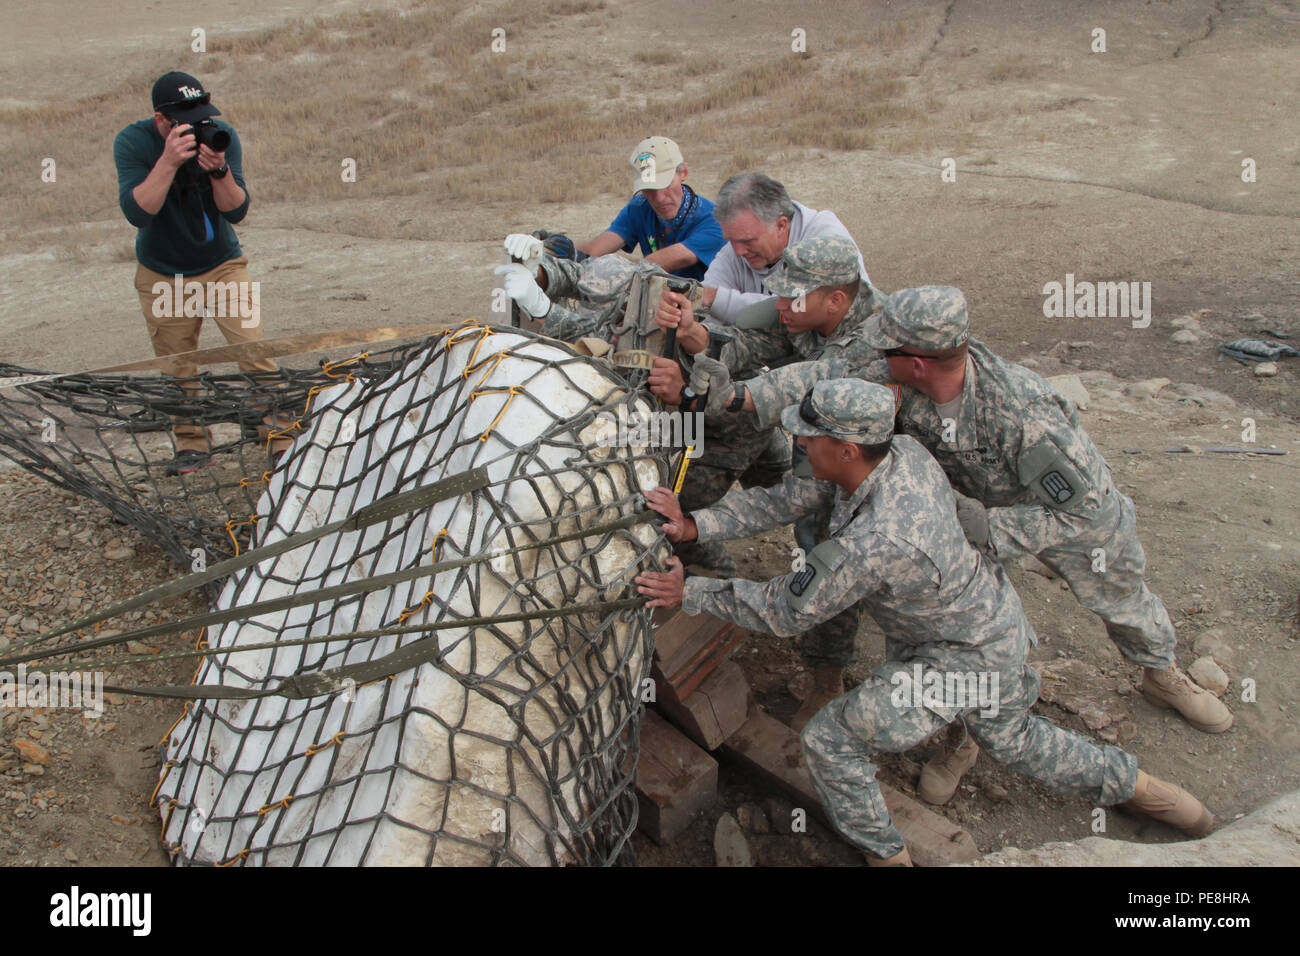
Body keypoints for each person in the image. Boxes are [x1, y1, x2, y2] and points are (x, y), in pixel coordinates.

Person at [634, 379, 1215, 865]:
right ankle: (1162, 799)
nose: (798, 441)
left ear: (846, 448)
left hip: (959, 655)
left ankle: (887, 855)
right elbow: (790, 498)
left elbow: (785, 610)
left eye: (808, 436)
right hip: (985, 618)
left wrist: (692, 590)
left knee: (831, 742)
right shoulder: (900, 453)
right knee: (1018, 736)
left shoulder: (879, 537)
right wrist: (696, 526)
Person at [696, 285, 1233, 802]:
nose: (877, 354)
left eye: (887, 347)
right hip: (963, 509)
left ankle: (1161, 672)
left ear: (920, 360)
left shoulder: (1025, 410)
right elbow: (827, 374)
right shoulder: (898, 369)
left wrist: (989, 530)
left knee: (1118, 594)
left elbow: (1082, 506)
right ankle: (968, 735)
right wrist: (740, 395)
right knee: (968, 617)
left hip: (1055, 515)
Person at [660, 235, 880, 726]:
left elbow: (797, 385)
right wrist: (696, 336)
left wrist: (701, 401)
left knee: (831, 547)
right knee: (798, 511)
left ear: (836, 300)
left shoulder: (872, 341)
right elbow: (744, 347)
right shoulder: (800, 314)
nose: (779, 304)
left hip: (870, 466)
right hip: (819, 445)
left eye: (791, 297)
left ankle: (828, 675)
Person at [114, 71, 284, 476]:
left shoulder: (221, 136)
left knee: (254, 351)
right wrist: (169, 161)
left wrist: (220, 171)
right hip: (163, 273)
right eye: (183, 120)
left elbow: (237, 211)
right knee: (178, 366)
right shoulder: (133, 142)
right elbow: (138, 212)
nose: (196, 126)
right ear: (161, 121)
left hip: (222, 265)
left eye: (201, 116)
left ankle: (281, 440)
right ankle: (192, 447)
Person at [655, 171, 867, 327]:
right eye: (731, 240)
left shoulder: (826, 240)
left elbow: (801, 309)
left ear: (781, 225)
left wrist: (715, 299)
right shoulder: (738, 246)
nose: (738, 252)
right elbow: (706, 310)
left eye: (748, 241)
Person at [577, 137, 725, 282]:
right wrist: (571, 254)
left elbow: (665, 261)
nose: (659, 198)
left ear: (683, 173)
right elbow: (594, 250)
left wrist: (609, 272)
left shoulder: (715, 220)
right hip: (655, 297)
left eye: (665, 185)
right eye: (649, 189)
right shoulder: (640, 207)